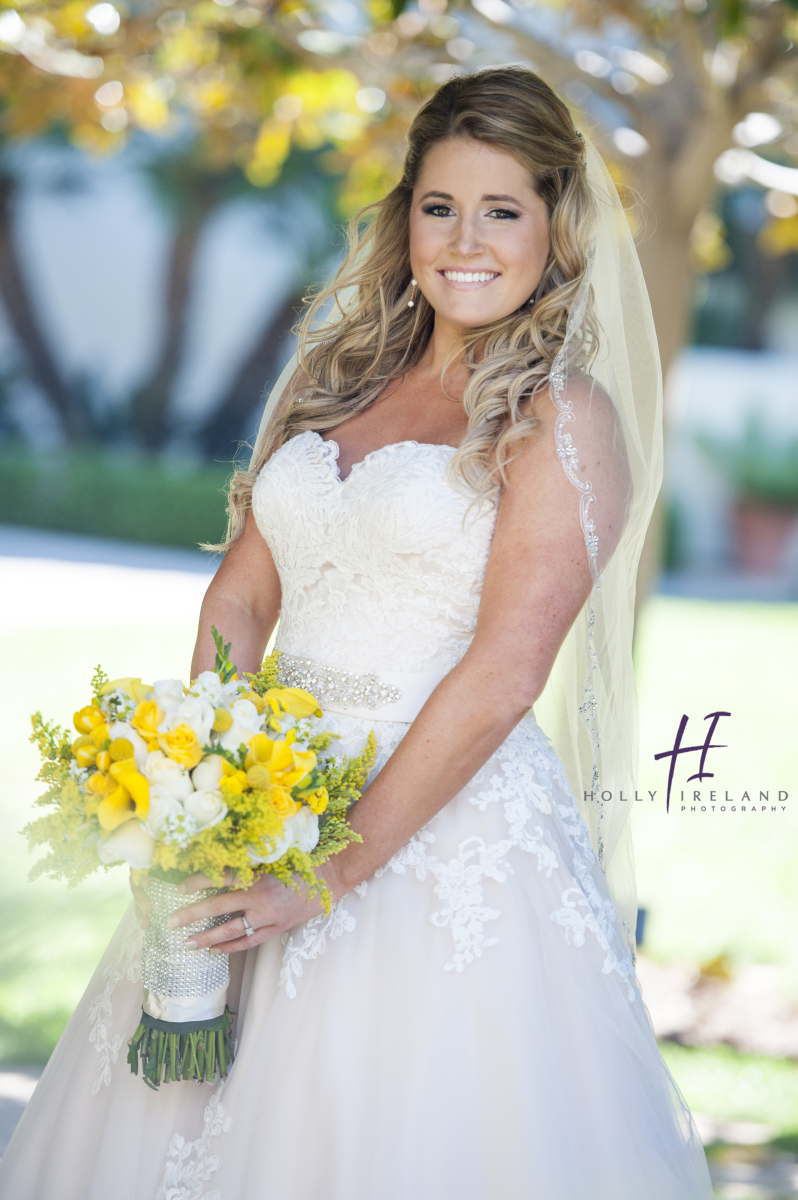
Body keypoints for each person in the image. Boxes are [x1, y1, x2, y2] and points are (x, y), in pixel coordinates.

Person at [0, 66, 715, 1200]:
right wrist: (200, 787)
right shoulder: (346, 377)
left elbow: (505, 671)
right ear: (406, 219)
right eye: (440, 206)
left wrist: (322, 878)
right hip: (259, 804)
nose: (464, 241)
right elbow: (237, 599)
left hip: (433, 841)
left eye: (502, 211)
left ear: (555, 229)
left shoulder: (559, 417)